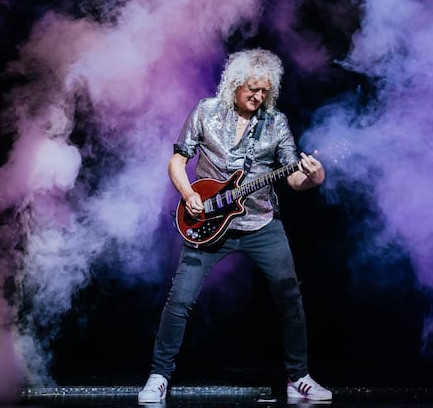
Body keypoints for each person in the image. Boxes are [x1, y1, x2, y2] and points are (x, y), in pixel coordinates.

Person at [138, 48, 332, 403]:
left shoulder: (276, 123)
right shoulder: (206, 112)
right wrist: (188, 194)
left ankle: (298, 378)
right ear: (235, 84)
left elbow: (291, 179)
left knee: (290, 297)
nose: (258, 97)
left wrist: (313, 180)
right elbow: (177, 161)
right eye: (252, 90)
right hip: (208, 222)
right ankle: (158, 376)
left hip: (261, 223)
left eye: (265, 91)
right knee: (180, 299)